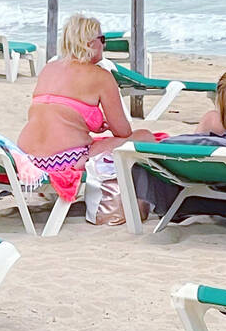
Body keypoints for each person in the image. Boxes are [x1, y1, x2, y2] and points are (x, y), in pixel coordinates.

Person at [17, 12, 151, 204]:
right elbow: (123, 131)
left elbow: (59, 113)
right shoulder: (101, 76)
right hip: (65, 159)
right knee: (144, 136)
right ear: (89, 43)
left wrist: (91, 124)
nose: (104, 45)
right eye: (102, 39)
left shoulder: (49, 69)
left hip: (28, 157)